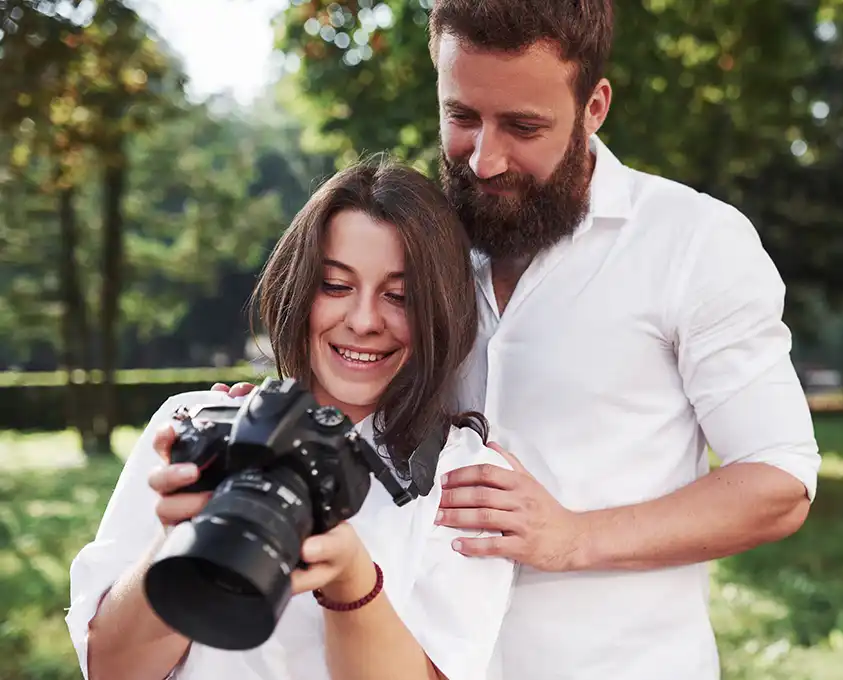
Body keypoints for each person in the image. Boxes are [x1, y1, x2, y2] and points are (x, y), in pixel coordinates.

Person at [221, 0, 822, 677]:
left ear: (594, 107)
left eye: (523, 126)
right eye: (462, 117)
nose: (484, 160)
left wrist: (572, 538)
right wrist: (281, 413)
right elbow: (363, 376)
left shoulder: (694, 242)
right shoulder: (421, 242)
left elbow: (778, 481)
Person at [66, 157, 515, 680]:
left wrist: (352, 580)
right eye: (336, 286)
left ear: (441, 309)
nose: (364, 321)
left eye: (400, 296)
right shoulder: (199, 426)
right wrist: (181, 537)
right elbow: (111, 669)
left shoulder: (464, 479)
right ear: (298, 287)